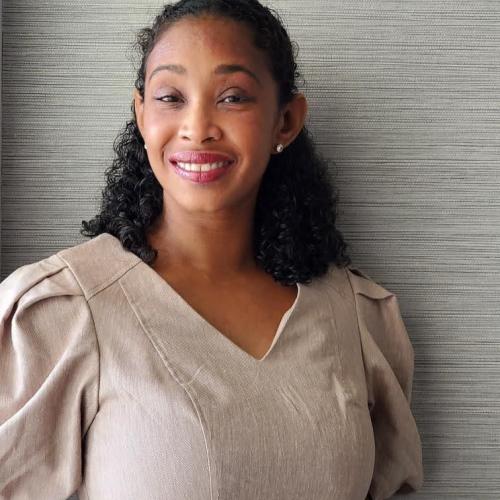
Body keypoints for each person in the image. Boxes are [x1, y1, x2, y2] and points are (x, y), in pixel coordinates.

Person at [0, 0, 424, 498]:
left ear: (285, 121)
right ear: (141, 114)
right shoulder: (63, 312)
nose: (197, 126)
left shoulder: (355, 317)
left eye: (232, 97)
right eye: (170, 96)